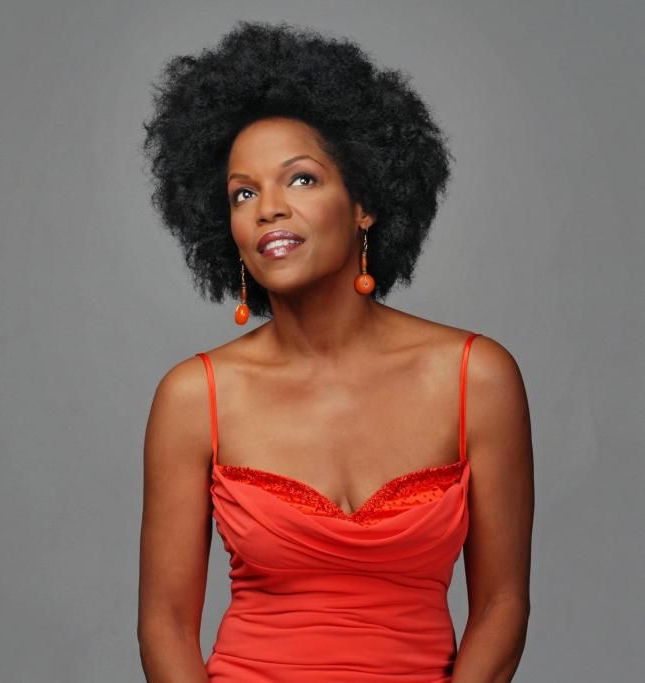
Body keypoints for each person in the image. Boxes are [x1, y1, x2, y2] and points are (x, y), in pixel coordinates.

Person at [137, 19, 533, 683]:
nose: (267, 209)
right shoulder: (194, 396)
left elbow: (502, 604)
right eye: (243, 193)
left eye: (299, 180)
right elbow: (165, 625)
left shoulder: (475, 378)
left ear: (364, 203)